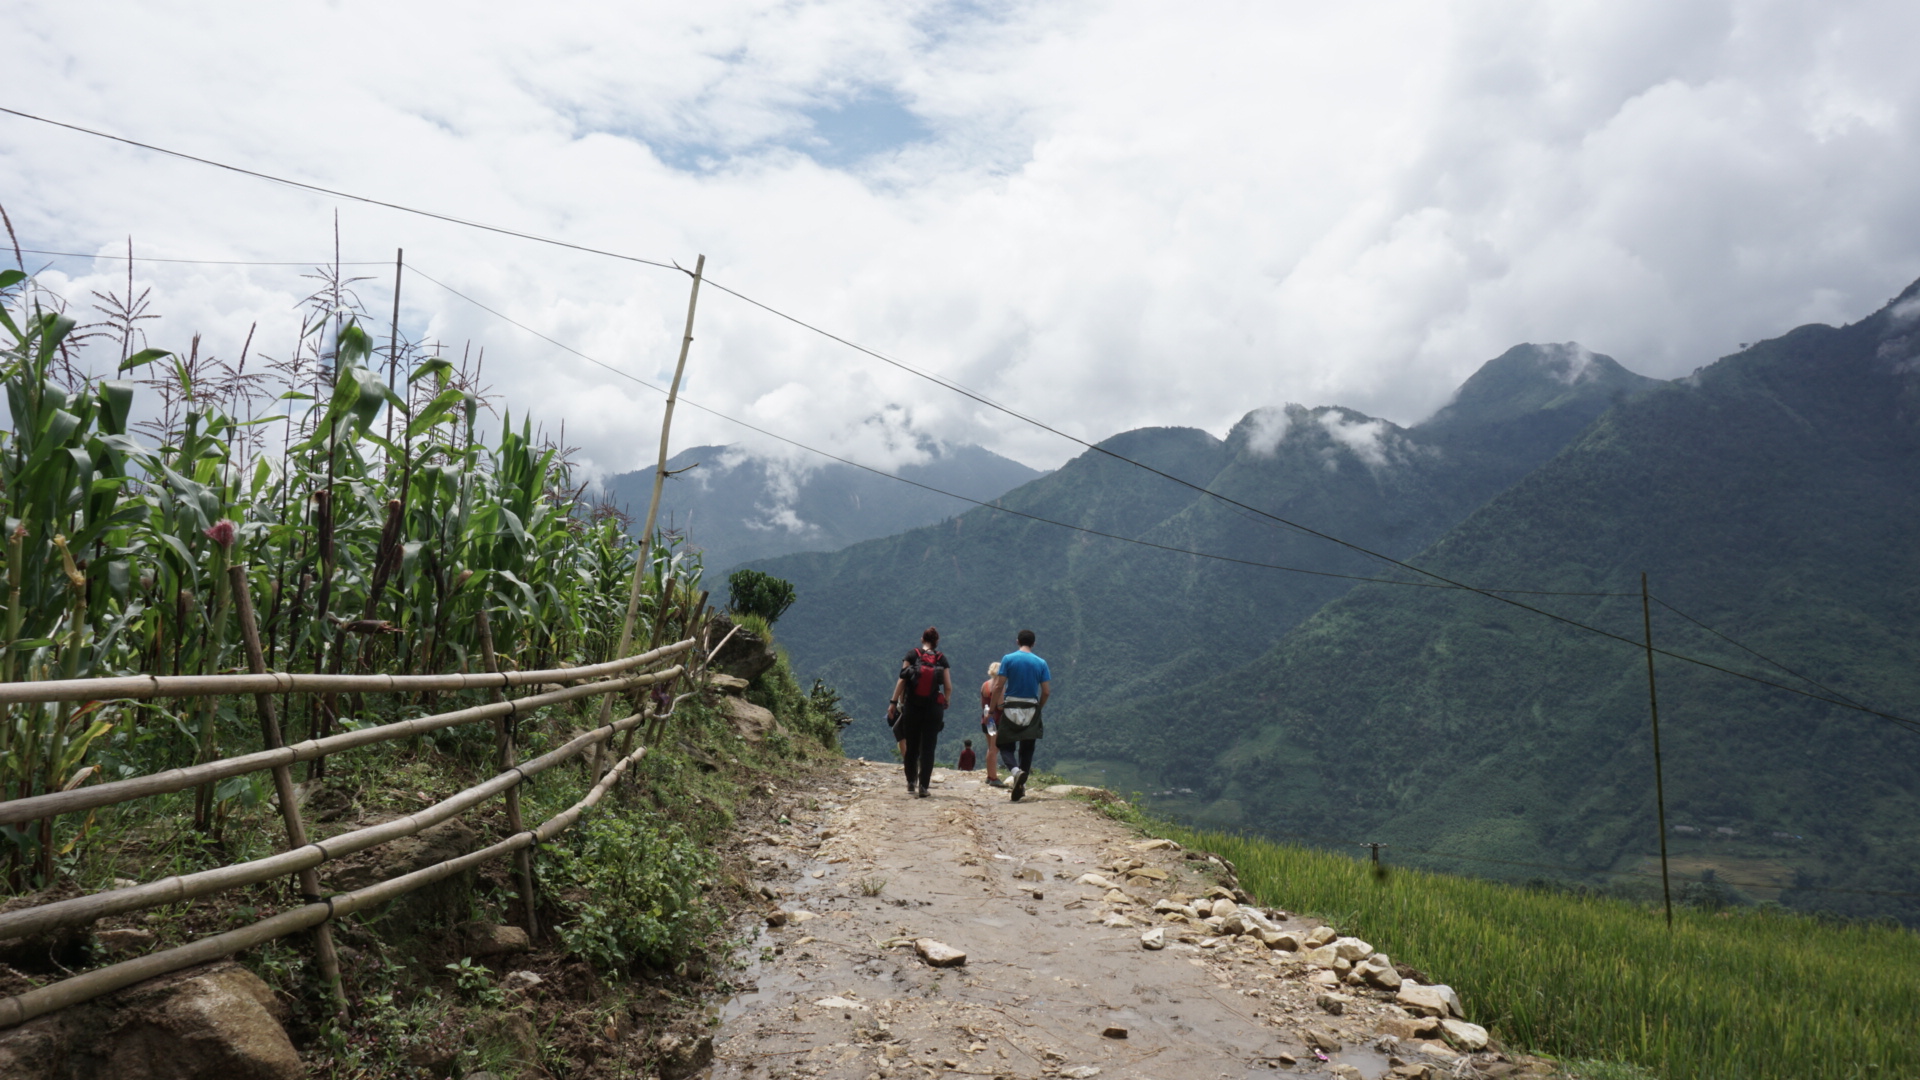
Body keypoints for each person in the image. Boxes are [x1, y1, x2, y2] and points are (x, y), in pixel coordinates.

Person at [888, 626, 952, 798]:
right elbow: (948, 686)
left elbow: (902, 680)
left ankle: (911, 782)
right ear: (937, 642)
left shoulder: (912, 654)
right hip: (933, 708)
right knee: (928, 748)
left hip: (913, 706)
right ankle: (924, 786)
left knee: (912, 746)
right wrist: (946, 700)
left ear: (922, 639)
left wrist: (894, 702)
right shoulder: (941, 658)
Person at [990, 629, 1050, 802]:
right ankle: (1021, 786)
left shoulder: (1008, 659)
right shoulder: (1041, 663)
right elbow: (1046, 691)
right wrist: (1039, 708)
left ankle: (1016, 772)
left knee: (1005, 745)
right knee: (1027, 748)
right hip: (1031, 707)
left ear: (1017, 641)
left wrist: (993, 709)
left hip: (1011, 706)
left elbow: (998, 686)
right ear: (1033, 644)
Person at [978, 661, 1004, 787]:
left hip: (986, 720)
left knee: (990, 748)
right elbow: (1000, 706)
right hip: (996, 721)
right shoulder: (999, 687)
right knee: (994, 749)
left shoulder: (985, 685)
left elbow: (982, 703)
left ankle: (989, 775)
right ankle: (993, 777)